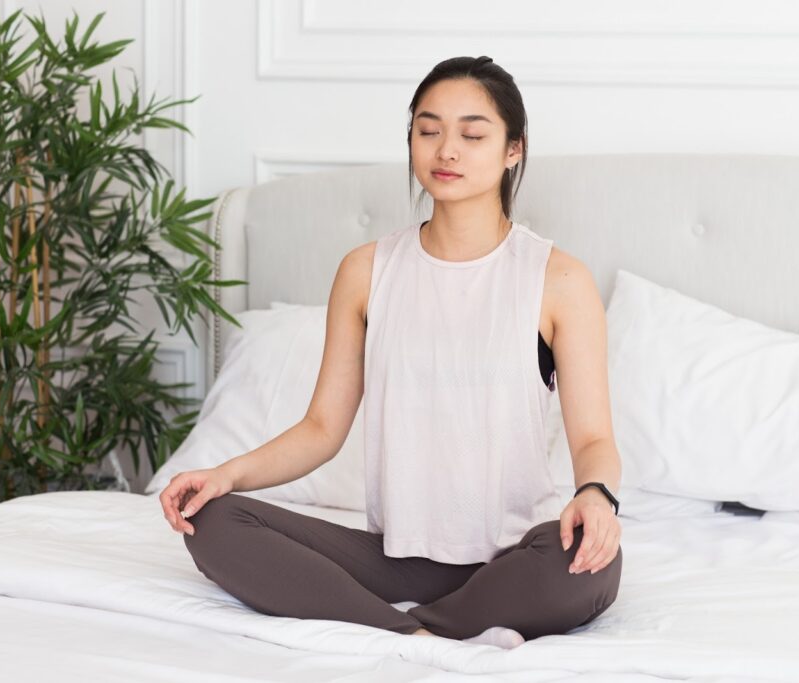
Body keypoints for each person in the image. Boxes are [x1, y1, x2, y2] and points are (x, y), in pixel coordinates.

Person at [159, 55, 623, 650]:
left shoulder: (557, 280)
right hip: (393, 558)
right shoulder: (365, 271)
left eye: (472, 134)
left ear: (514, 150)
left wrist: (595, 496)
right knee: (214, 522)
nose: (446, 150)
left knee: (592, 567)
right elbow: (323, 427)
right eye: (428, 131)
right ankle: (420, 631)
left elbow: (592, 440)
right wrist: (223, 475)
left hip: (514, 554)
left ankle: (401, 625)